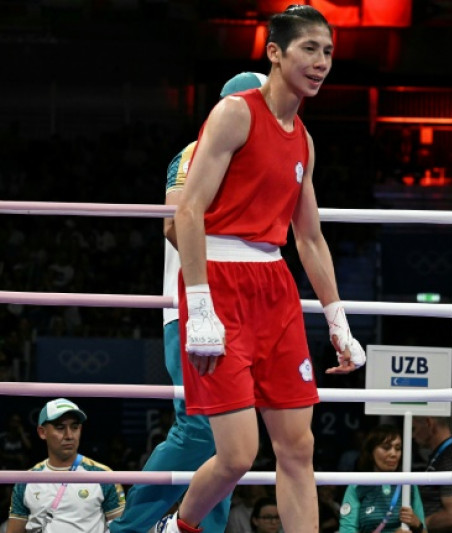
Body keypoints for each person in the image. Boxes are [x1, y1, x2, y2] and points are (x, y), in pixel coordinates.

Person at [155, 5, 366, 532]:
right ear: (275, 52)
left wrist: (338, 322)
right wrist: (200, 306)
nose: (321, 63)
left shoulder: (304, 138)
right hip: (219, 281)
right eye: (309, 50)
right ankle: (178, 526)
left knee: (299, 448)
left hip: (275, 287)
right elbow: (187, 211)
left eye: (328, 53)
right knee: (237, 456)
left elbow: (310, 236)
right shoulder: (235, 112)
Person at [110, 71, 268, 533]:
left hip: (243, 309)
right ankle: (133, 527)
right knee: (200, 429)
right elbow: (175, 224)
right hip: (195, 307)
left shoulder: (260, 160)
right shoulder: (196, 152)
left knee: (231, 436)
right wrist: (216, 289)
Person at [7, 398, 126, 532]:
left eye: (74, 427)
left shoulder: (103, 476)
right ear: (42, 432)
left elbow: (121, 529)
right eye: (60, 427)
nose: (69, 435)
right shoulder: (26, 482)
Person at [339, 424, 425, 532]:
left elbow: (424, 530)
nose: (394, 454)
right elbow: (347, 530)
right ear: (371, 452)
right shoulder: (357, 486)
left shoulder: (409, 485)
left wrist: (418, 525)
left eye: (398, 448)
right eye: (386, 447)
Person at [412, 416, 452, 532]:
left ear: (429, 423)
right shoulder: (444, 455)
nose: (413, 436)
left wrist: (418, 524)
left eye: (414, 429)